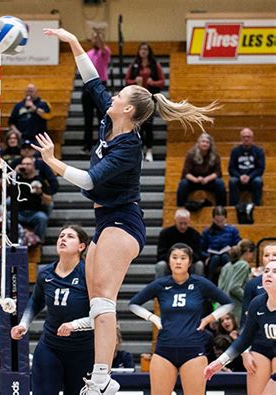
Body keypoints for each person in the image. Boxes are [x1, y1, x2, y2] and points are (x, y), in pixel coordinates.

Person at [38, 27, 218, 394]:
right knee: (95, 299)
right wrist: (73, 43)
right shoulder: (109, 120)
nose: (112, 95)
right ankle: (95, 325)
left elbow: (89, 182)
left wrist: (52, 162)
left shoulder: (129, 147)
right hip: (105, 220)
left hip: (124, 221)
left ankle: (102, 379)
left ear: (129, 109)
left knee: (103, 300)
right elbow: (92, 83)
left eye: (118, 95)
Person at [129, 243, 233, 395]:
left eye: (183, 258)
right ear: (169, 261)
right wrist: (154, 319)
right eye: (175, 257)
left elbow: (228, 304)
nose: (178, 262)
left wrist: (208, 319)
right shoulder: (160, 284)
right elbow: (133, 304)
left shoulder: (200, 283)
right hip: (164, 350)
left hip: (193, 350)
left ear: (190, 262)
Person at [11, 225, 93, 395]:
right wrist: (23, 325)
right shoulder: (45, 273)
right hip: (50, 346)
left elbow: (100, 316)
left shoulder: (89, 273)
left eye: (70, 236)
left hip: (82, 351)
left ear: (81, 246)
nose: (63, 239)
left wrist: (75, 325)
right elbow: (35, 302)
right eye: (61, 235)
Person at [204, 260, 276, 395]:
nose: (269, 275)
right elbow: (244, 339)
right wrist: (220, 362)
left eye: (275, 272)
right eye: (266, 271)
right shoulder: (257, 303)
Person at [239, 243, 276, 395]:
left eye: (274, 255)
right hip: (259, 345)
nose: (270, 258)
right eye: (266, 255)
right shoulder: (253, 285)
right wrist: (245, 353)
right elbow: (244, 322)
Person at [125, 43, 165, 162]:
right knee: (137, 126)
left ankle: (149, 151)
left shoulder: (155, 65)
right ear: (138, 51)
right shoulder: (134, 65)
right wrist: (134, 82)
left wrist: (153, 83)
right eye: (141, 49)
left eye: (145, 49)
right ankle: (139, 150)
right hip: (137, 100)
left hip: (150, 99)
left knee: (149, 125)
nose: (143, 51)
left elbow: (162, 82)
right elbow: (127, 80)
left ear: (149, 51)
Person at [177, 133, 226, 207]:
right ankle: (180, 208)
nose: (205, 144)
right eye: (203, 141)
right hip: (194, 181)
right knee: (183, 184)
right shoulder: (191, 154)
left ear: (210, 145)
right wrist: (196, 180)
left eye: (207, 142)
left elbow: (217, 172)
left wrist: (207, 179)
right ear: (198, 143)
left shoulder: (215, 155)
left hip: (208, 181)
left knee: (220, 183)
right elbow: (186, 173)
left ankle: (221, 208)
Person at [82, 28, 111, 153]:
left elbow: (102, 47)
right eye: (94, 37)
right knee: (88, 118)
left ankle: (102, 143)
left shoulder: (105, 51)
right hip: (88, 86)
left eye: (97, 38)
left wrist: (99, 35)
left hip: (100, 84)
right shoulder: (88, 53)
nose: (95, 39)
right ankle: (88, 144)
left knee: (102, 118)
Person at [155, 208, 204, 278]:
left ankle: (197, 287)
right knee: (161, 265)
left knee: (199, 265)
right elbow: (160, 254)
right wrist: (174, 259)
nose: (183, 226)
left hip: (189, 264)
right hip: (170, 263)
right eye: (180, 223)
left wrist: (188, 258)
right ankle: (159, 288)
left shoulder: (195, 234)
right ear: (175, 221)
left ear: (189, 222)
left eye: (185, 223)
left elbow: (199, 255)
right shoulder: (165, 233)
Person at [14, 156, 52, 243]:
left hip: (34, 213)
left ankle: (37, 241)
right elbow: (2, 186)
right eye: (23, 164)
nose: (25, 166)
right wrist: (14, 172)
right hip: (19, 212)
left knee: (42, 217)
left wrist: (41, 193)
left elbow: (49, 201)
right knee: (8, 216)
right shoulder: (16, 179)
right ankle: (15, 240)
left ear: (33, 166)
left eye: (28, 164)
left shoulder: (40, 180)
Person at [201, 206, 241, 284]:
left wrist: (232, 250)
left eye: (222, 221)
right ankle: (210, 283)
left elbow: (237, 245)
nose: (219, 223)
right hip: (212, 257)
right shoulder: (207, 232)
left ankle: (229, 282)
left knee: (224, 257)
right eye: (217, 221)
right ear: (213, 219)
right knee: (215, 258)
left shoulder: (232, 230)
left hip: (228, 255)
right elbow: (201, 248)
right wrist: (206, 256)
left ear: (226, 219)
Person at [218, 240, 254, 321]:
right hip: (235, 313)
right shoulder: (243, 265)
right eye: (252, 253)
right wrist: (249, 299)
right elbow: (234, 288)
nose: (253, 257)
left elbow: (219, 289)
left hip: (221, 311)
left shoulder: (226, 266)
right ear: (248, 251)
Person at [228, 127, 265, 206]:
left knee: (258, 181)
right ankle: (234, 207)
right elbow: (231, 168)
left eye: (248, 137)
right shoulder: (235, 151)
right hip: (239, 178)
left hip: (253, 178)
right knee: (232, 181)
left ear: (252, 138)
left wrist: (249, 177)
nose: (246, 139)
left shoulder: (259, 151)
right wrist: (240, 176)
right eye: (244, 137)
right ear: (241, 138)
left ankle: (256, 206)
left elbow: (260, 169)